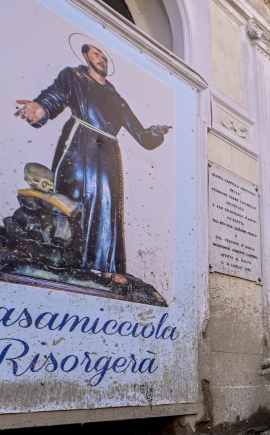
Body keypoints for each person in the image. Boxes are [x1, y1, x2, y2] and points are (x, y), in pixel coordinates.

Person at [15, 43, 171, 279]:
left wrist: (156, 133)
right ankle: (70, 262)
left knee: (107, 209)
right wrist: (40, 107)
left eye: (105, 57)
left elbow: (141, 135)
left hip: (108, 155)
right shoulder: (73, 76)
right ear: (86, 56)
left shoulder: (115, 97)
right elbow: (55, 96)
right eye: (97, 55)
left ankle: (105, 269)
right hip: (79, 146)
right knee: (76, 199)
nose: (102, 60)